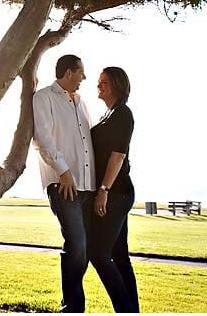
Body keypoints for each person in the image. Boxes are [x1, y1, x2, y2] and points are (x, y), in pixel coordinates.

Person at [32, 54, 95, 313]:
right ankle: (71, 307)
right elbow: (42, 138)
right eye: (81, 72)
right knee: (77, 245)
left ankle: (73, 304)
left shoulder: (80, 102)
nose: (84, 77)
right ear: (68, 73)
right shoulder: (43, 97)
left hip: (87, 186)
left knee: (85, 249)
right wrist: (63, 171)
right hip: (63, 184)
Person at [89, 66, 139, 312]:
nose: (99, 86)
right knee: (120, 257)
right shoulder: (107, 115)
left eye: (104, 82)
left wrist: (103, 190)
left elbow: (118, 156)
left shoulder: (122, 114)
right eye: (99, 82)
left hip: (116, 193)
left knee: (98, 254)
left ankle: (125, 310)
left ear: (117, 86)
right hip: (114, 193)